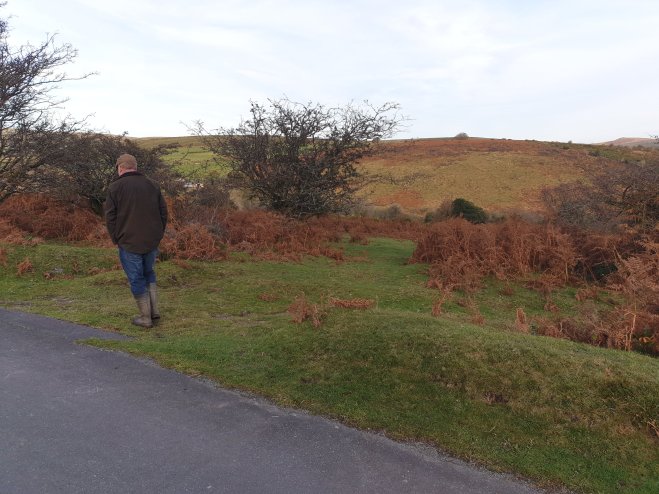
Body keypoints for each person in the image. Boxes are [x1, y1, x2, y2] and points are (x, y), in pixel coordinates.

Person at [104, 153, 168, 328]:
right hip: (151, 240)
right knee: (149, 273)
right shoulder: (152, 185)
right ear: (135, 167)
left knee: (136, 278)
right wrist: (158, 235)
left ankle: (145, 317)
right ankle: (154, 312)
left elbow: (110, 217)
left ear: (120, 168)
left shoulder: (115, 187)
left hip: (128, 241)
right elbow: (163, 212)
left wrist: (115, 238)